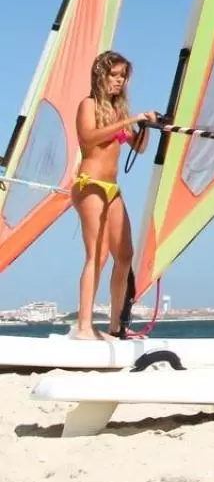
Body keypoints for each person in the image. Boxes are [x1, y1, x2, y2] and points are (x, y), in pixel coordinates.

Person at [70, 52, 160, 340]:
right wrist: (128, 120)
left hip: (112, 188)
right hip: (90, 184)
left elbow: (140, 148)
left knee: (125, 254)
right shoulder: (89, 105)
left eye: (123, 76)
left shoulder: (119, 112)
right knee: (96, 255)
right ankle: (84, 327)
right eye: (115, 75)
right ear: (101, 75)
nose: (119, 81)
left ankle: (115, 326)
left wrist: (144, 126)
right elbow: (88, 138)